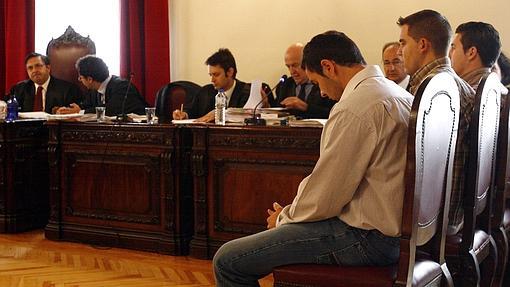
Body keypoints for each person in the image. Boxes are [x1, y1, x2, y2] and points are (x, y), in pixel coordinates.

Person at [213, 31, 413, 286]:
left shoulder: (356, 106)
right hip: (402, 233)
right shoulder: (398, 94)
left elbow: (326, 196)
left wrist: (283, 218)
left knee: (228, 260)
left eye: (318, 82)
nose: (323, 93)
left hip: (367, 238)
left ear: (328, 67)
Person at [397, 9, 475, 234]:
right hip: (454, 212)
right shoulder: (458, 85)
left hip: (431, 218)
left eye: (403, 43)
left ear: (422, 44)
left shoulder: (432, 90)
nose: (400, 52)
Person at [172, 48, 251, 122]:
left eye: (216, 75)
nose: (212, 80)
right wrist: (183, 115)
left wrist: (222, 114)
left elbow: (247, 116)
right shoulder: (205, 92)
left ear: (230, 72)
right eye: (211, 75)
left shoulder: (246, 92)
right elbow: (191, 111)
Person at [272, 43, 336, 119]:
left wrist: (306, 107)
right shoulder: (286, 84)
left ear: (306, 63)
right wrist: (266, 104)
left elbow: (333, 113)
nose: (291, 71)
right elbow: (277, 111)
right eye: (288, 66)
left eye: (295, 65)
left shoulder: (324, 82)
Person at [7, 52, 82, 114]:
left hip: (53, 129)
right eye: (30, 68)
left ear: (48, 68)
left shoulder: (68, 89)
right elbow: (5, 105)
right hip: (24, 129)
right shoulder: (19, 88)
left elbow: (73, 112)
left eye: (38, 66)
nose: (34, 71)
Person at [77, 55, 147, 116]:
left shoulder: (122, 86)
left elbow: (112, 109)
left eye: (81, 77)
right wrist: (74, 109)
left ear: (89, 79)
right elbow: (86, 106)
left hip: (138, 128)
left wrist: (80, 112)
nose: (79, 80)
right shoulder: (94, 91)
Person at [449, 21, 501, 90]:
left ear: (471, 53)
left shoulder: (468, 96)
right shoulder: (497, 90)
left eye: (453, 47)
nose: (449, 53)